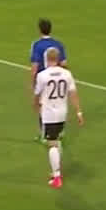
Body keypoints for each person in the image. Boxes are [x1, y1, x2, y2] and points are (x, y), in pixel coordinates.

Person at [33, 47, 83, 188]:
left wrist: (36, 106)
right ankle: (56, 169)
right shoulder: (67, 74)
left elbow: (37, 94)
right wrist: (79, 112)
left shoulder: (42, 75)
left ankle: (56, 177)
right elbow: (73, 94)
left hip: (49, 113)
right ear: (58, 59)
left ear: (47, 59)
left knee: (52, 144)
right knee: (56, 141)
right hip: (62, 112)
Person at [28, 18, 67, 140]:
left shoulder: (37, 45)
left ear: (39, 30)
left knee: (43, 106)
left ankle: (44, 134)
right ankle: (59, 131)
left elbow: (34, 66)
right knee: (58, 104)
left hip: (43, 79)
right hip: (58, 80)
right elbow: (64, 64)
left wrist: (33, 83)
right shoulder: (58, 44)